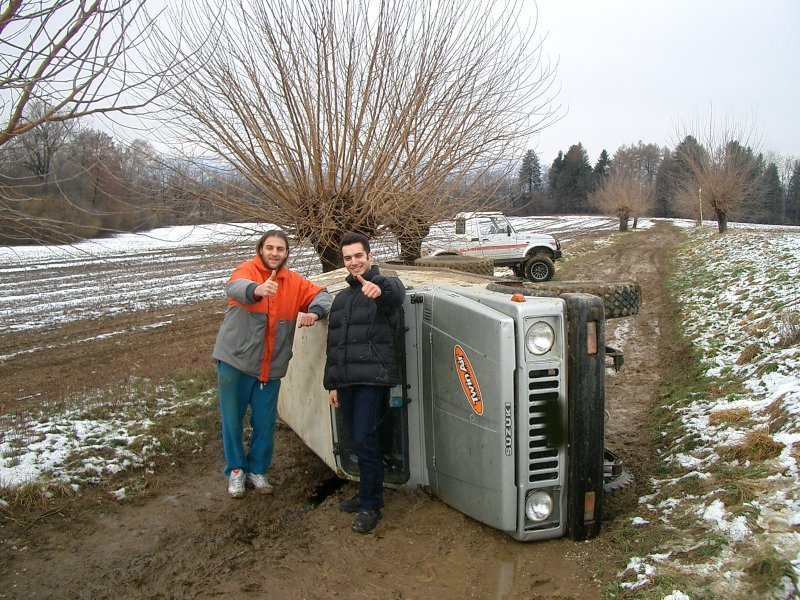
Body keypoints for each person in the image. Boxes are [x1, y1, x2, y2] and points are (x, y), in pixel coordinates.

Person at [213, 230, 332, 498]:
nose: (274, 253)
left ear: (286, 254)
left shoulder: (293, 283)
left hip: (270, 369)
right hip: (235, 363)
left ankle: (257, 469)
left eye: (280, 249)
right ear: (261, 249)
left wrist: (315, 311)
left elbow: (323, 295)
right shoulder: (247, 271)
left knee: (265, 423)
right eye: (270, 248)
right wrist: (257, 290)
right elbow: (235, 288)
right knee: (232, 420)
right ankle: (235, 470)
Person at [324, 233, 406, 534]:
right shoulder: (342, 298)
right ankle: (364, 495)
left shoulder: (382, 287)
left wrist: (380, 288)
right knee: (356, 440)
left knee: (364, 439)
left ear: (369, 256)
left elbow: (396, 295)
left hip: (372, 379)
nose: (354, 262)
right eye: (348, 258)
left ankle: (372, 505)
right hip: (346, 381)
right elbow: (335, 346)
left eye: (358, 256)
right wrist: (332, 385)